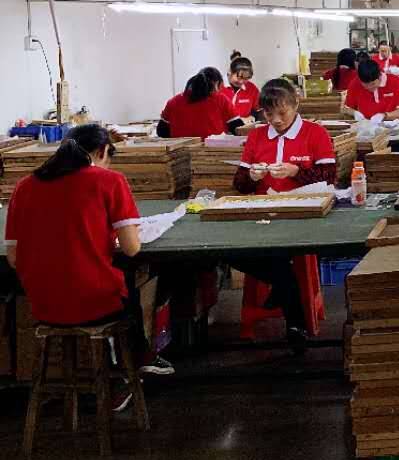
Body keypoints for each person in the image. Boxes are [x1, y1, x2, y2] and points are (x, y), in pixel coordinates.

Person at [3, 124, 171, 394]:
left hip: (44, 305)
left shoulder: (24, 186)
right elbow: (131, 248)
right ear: (102, 151)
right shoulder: (110, 181)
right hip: (93, 302)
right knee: (133, 283)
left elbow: (13, 257)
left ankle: (96, 380)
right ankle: (127, 372)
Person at [231, 79, 337, 347]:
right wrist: (252, 176)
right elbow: (239, 184)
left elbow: (329, 176)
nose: (276, 120)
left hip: (303, 214)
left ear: (295, 105)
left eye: (282, 113)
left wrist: (296, 172)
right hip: (263, 215)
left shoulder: (315, 133)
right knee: (229, 250)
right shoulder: (256, 136)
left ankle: (293, 318)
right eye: (269, 114)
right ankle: (293, 314)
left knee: (280, 251)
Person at [158, 67, 243, 139]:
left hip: (179, 151)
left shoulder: (173, 101)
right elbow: (239, 129)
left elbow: (162, 131)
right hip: (210, 151)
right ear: (216, 83)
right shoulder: (220, 100)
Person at [345, 57, 399, 122]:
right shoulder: (355, 84)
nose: (369, 87)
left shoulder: (395, 82)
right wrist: (354, 113)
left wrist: (385, 116)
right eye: (365, 85)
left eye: (373, 84)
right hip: (366, 125)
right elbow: (345, 109)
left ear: (380, 76)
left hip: (393, 125)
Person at [224, 52, 261, 119]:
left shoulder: (252, 88)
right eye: (239, 77)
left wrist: (251, 117)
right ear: (230, 71)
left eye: (245, 79)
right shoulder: (217, 87)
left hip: (245, 125)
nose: (241, 82)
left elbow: (258, 110)